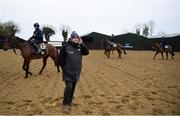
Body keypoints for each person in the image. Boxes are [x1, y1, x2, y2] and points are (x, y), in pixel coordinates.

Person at [58, 31, 89, 112]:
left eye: (77, 38)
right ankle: (65, 104)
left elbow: (87, 52)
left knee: (73, 88)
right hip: (67, 72)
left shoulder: (80, 47)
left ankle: (70, 102)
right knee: (69, 87)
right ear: (71, 38)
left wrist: (82, 43)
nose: (76, 39)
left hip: (76, 72)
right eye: (74, 38)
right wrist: (64, 68)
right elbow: (60, 60)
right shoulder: (65, 47)